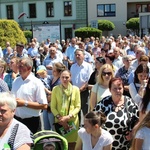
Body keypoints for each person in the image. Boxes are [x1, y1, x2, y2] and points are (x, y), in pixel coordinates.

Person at [93, 77, 139, 150]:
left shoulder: (130, 103)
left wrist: (132, 132)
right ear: (110, 90)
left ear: (123, 89)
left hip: (124, 145)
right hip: (105, 145)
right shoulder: (103, 103)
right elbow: (94, 119)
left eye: (120, 88)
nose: (118, 91)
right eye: (115, 88)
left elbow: (138, 120)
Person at [11, 57, 47, 134]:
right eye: (18, 66)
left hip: (32, 122)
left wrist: (24, 103)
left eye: (21, 66)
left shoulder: (36, 83)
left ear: (29, 68)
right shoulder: (16, 81)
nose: (18, 68)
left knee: (33, 145)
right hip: (17, 121)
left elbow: (44, 105)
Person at [51, 69, 81, 150]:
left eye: (67, 77)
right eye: (62, 77)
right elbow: (53, 107)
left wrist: (68, 117)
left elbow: (78, 106)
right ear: (59, 78)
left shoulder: (76, 89)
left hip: (72, 122)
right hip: (59, 122)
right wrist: (61, 119)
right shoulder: (55, 89)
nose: (64, 79)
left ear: (70, 78)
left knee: (72, 145)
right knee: (61, 144)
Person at [70, 49, 93, 120]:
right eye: (76, 55)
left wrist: (81, 89)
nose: (77, 56)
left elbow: (89, 80)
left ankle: (87, 125)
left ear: (83, 56)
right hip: (74, 91)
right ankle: (77, 126)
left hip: (84, 91)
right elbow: (70, 79)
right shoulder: (73, 67)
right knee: (76, 110)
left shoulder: (88, 66)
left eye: (79, 54)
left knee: (85, 109)